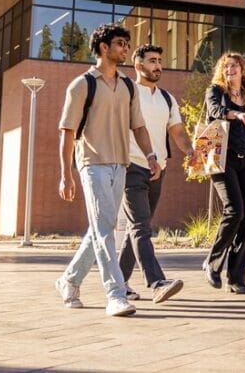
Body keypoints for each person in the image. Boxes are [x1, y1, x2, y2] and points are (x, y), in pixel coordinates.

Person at [55, 23, 160, 318]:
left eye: (127, 44)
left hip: (121, 163)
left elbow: (137, 125)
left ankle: (70, 280)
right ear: (104, 47)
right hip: (92, 163)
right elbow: (67, 131)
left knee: (100, 229)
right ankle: (115, 294)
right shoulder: (81, 85)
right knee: (105, 230)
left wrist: (150, 153)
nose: (125, 48)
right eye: (120, 44)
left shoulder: (128, 85)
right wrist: (66, 174)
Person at [117, 44, 195, 304]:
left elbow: (178, 132)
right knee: (141, 226)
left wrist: (191, 151)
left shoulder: (166, 98)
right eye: (152, 61)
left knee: (136, 227)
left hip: (157, 169)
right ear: (138, 65)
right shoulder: (127, 91)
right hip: (131, 166)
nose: (158, 65)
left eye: (160, 60)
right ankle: (157, 282)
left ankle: (119, 283)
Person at [202, 51, 245, 294]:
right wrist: (238, 115)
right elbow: (216, 112)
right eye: (226, 67)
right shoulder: (215, 91)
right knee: (234, 210)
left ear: (243, 70)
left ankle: (236, 278)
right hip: (221, 158)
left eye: (234, 66)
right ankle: (212, 262)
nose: (230, 70)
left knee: (244, 219)